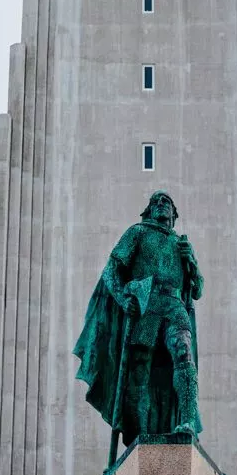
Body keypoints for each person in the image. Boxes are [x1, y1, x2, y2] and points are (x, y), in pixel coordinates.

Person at [74, 191, 204, 446]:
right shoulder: (138, 232)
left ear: (174, 214)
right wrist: (123, 299)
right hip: (147, 307)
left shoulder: (181, 244)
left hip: (175, 306)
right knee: (140, 371)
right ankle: (140, 433)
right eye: (155, 201)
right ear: (149, 211)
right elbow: (112, 270)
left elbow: (197, 290)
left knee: (183, 353)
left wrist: (193, 264)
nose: (161, 204)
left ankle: (187, 421)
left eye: (166, 201)